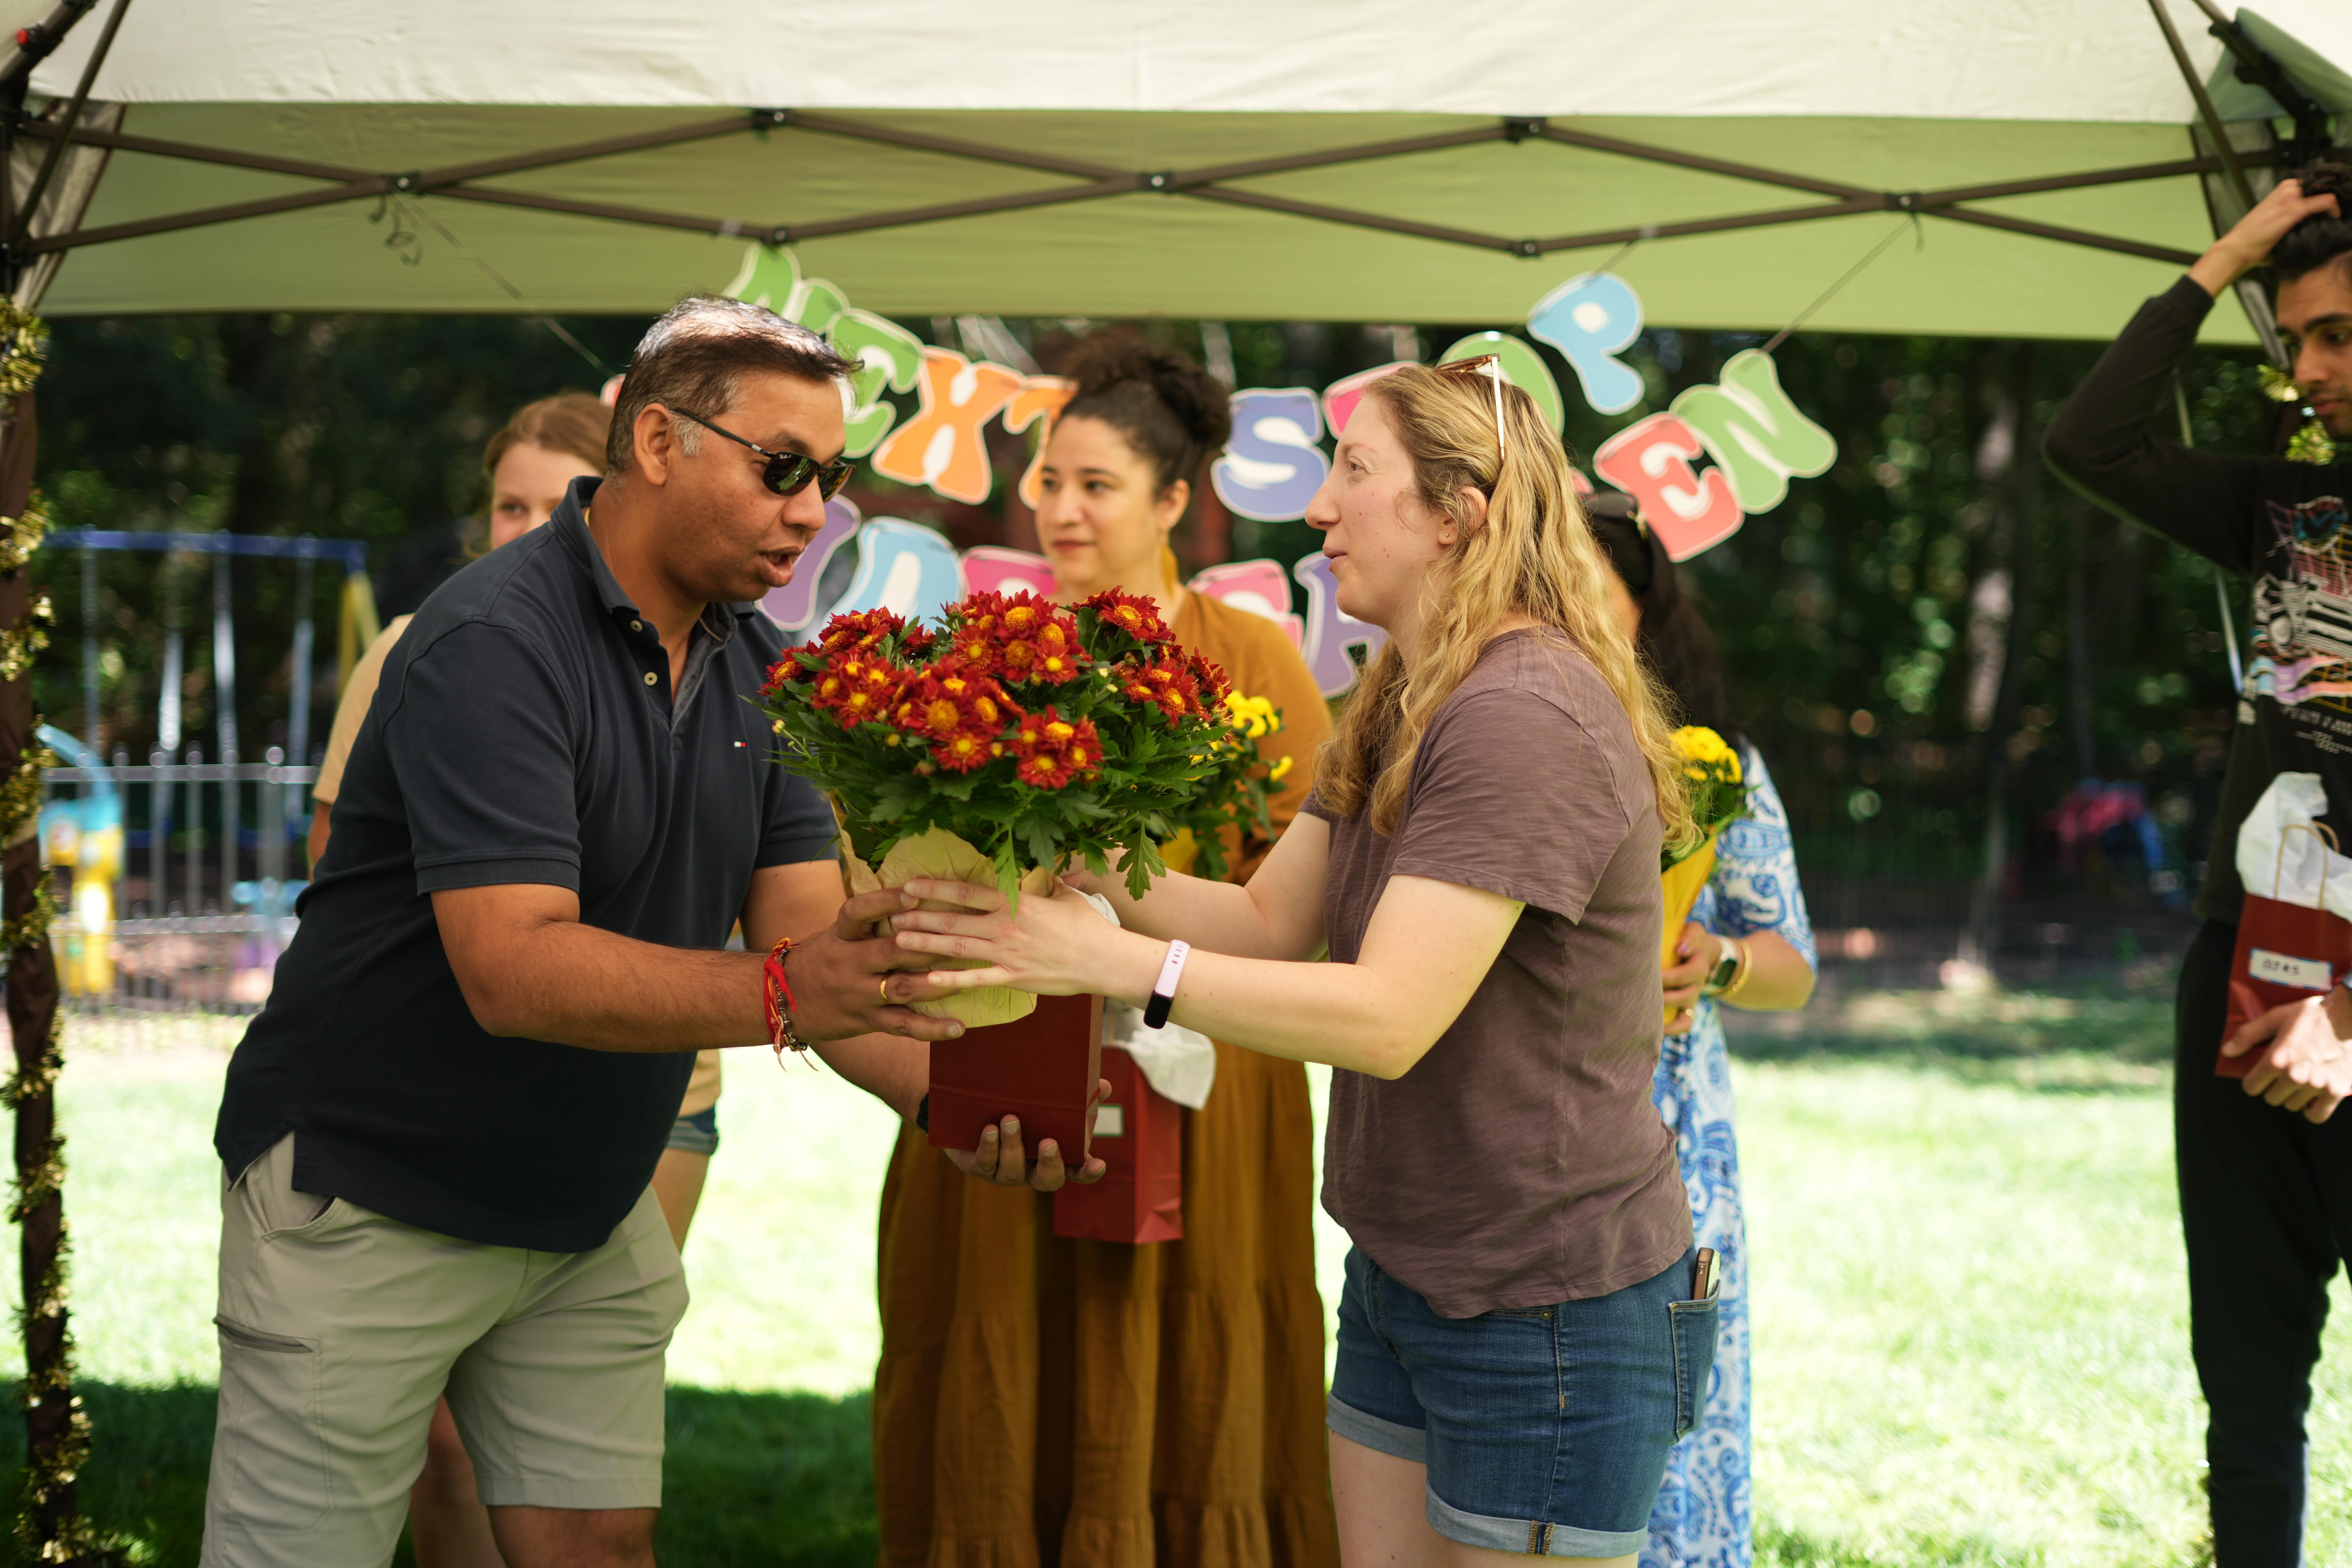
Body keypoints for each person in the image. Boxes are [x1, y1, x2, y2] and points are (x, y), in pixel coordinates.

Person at [203, 295, 1089, 1568]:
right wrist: (791, 993)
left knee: (600, 1546)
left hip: (588, 1195)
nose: (811, 511)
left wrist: (966, 1105)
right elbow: (515, 968)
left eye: (829, 478)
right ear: (662, 442)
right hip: (375, 1186)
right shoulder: (493, 639)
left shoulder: (765, 668)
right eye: (781, 468)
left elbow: (807, 940)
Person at [885, 359, 1714, 1567]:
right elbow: (1271, 919)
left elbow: (1387, 1019)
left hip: (1545, 1308)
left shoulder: (1523, 712)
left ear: (1457, 513)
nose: (1319, 506)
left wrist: (1106, 961)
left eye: (1355, 471)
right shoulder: (1406, 688)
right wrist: (1069, 856)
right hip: (1406, 1275)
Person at [870, 336, 1340, 1567]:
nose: (1063, 510)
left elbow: (1304, 899)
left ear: (1175, 501)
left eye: (1097, 485)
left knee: (1194, 1365)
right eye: (1048, 483)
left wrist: (1144, 934)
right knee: (1002, 1341)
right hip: (1013, 1053)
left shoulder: (1254, 660)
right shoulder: (983, 656)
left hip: (1206, 1071)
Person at [306, 392, 732, 1567]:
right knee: (442, 1439)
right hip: (448, 1095)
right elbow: (344, 863)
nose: (532, 526)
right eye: (509, 505)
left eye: (558, 503)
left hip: (656, 1095)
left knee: (572, 1451)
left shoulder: (719, 658)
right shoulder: (435, 642)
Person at [2044, 165, 2352, 1568]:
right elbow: (2093, 440)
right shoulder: (2291, 508)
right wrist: (2225, 258)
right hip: (2249, 972)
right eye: (2296, 339)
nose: (2308, 369)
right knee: (2247, 1370)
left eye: (2337, 334)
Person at [1586, 493, 1816, 1568]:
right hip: (1528, 1139)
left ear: (1645, 609)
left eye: (1589, 592)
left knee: (1672, 1402)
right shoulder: (1494, 748)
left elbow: (1791, 967)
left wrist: (1713, 961)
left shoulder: (1717, 763)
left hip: (1674, 1138)